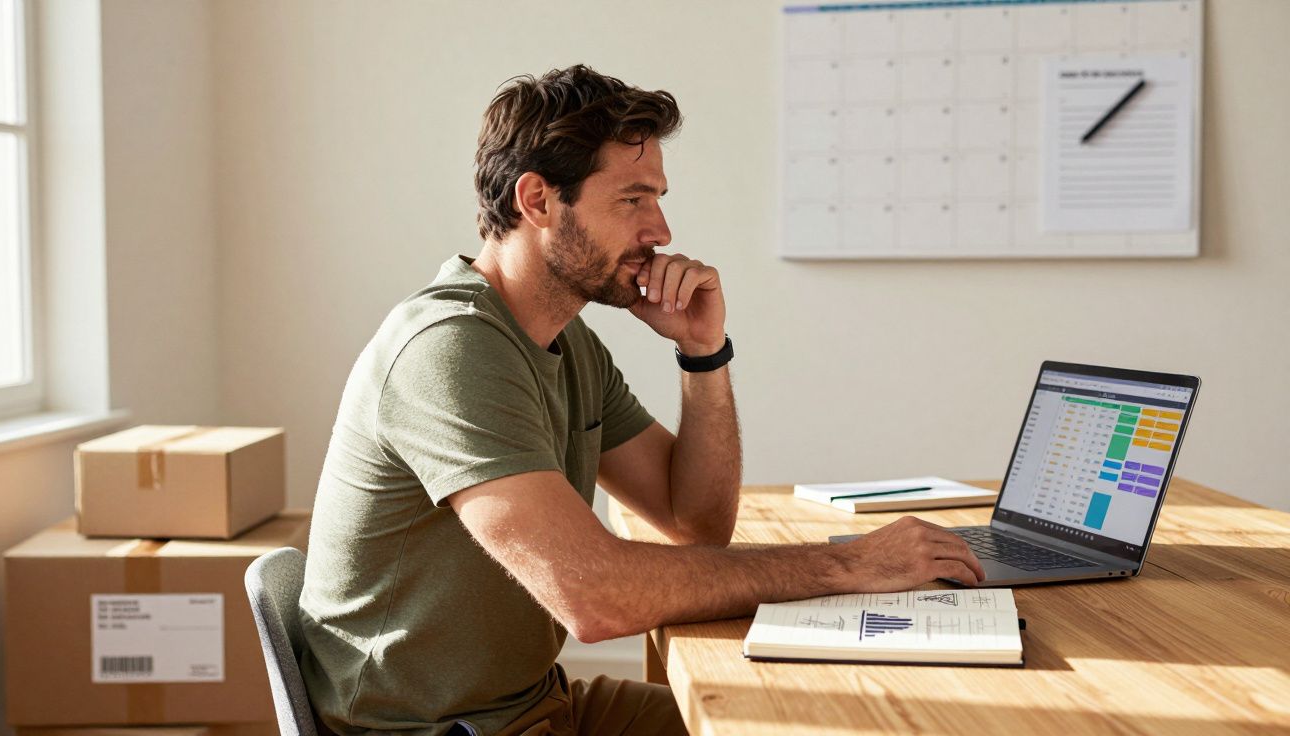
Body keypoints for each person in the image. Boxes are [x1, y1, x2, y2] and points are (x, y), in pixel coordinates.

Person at [300, 64, 985, 736]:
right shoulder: (449, 350)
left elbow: (694, 521)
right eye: (632, 200)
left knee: (840, 722)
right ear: (537, 201)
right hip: (433, 729)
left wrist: (703, 353)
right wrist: (848, 565)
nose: (659, 230)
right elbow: (593, 598)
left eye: (656, 198)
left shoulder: (569, 345)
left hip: (533, 708)